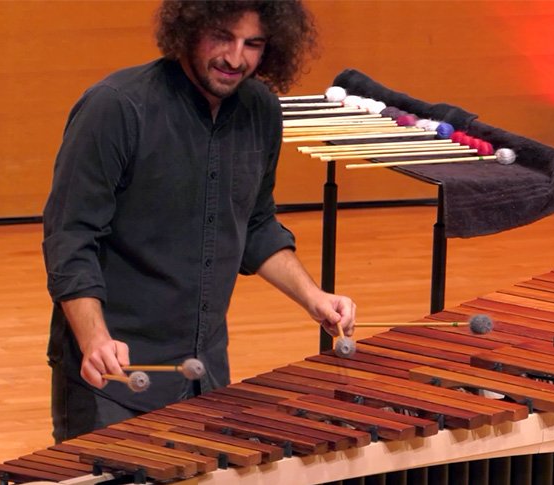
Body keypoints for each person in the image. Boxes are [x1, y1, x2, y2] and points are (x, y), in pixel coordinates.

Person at [42, 0, 356, 443]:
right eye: (223, 37)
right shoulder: (116, 108)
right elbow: (70, 238)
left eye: (253, 44)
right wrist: (95, 339)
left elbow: (256, 223)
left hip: (204, 371)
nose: (235, 58)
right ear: (189, 29)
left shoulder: (261, 110)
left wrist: (313, 297)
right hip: (114, 374)